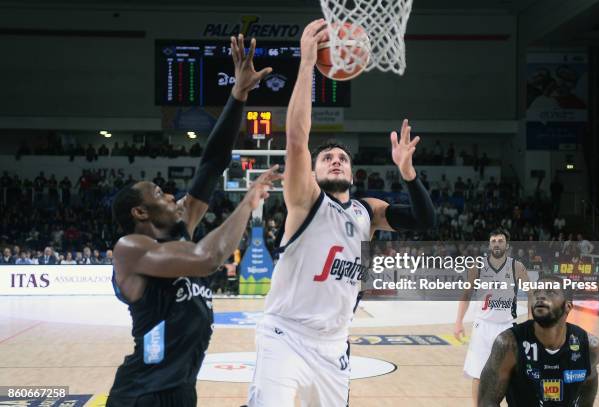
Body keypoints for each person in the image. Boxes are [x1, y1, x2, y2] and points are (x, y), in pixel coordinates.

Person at [247, 19, 436, 407]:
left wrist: (409, 174)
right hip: (285, 334)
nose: (336, 161)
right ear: (313, 172)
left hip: (334, 345)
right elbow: (298, 139)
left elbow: (424, 221)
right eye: (327, 158)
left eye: (342, 158)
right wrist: (305, 64)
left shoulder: (368, 212)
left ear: (352, 171)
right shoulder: (305, 201)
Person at [106, 34, 274, 407]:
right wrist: (247, 204)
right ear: (140, 212)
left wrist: (238, 95)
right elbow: (205, 259)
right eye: (158, 193)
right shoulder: (130, 249)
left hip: (182, 391)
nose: (170, 194)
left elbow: (211, 165)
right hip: (141, 394)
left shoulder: (181, 228)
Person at [478, 276, 599, 406]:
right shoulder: (509, 344)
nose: (541, 296)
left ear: (568, 306)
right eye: (537, 292)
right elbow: (487, 401)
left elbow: (590, 382)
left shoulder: (589, 347)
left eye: (550, 292)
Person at [455, 228, 532, 407]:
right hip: (482, 326)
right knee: (478, 373)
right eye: (494, 241)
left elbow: (531, 294)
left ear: (507, 245)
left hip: (507, 327)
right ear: (489, 244)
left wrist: (530, 320)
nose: (497, 244)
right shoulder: (478, 266)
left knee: (510, 374)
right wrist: (458, 321)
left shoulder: (516, 267)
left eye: (500, 241)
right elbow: (466, 295)